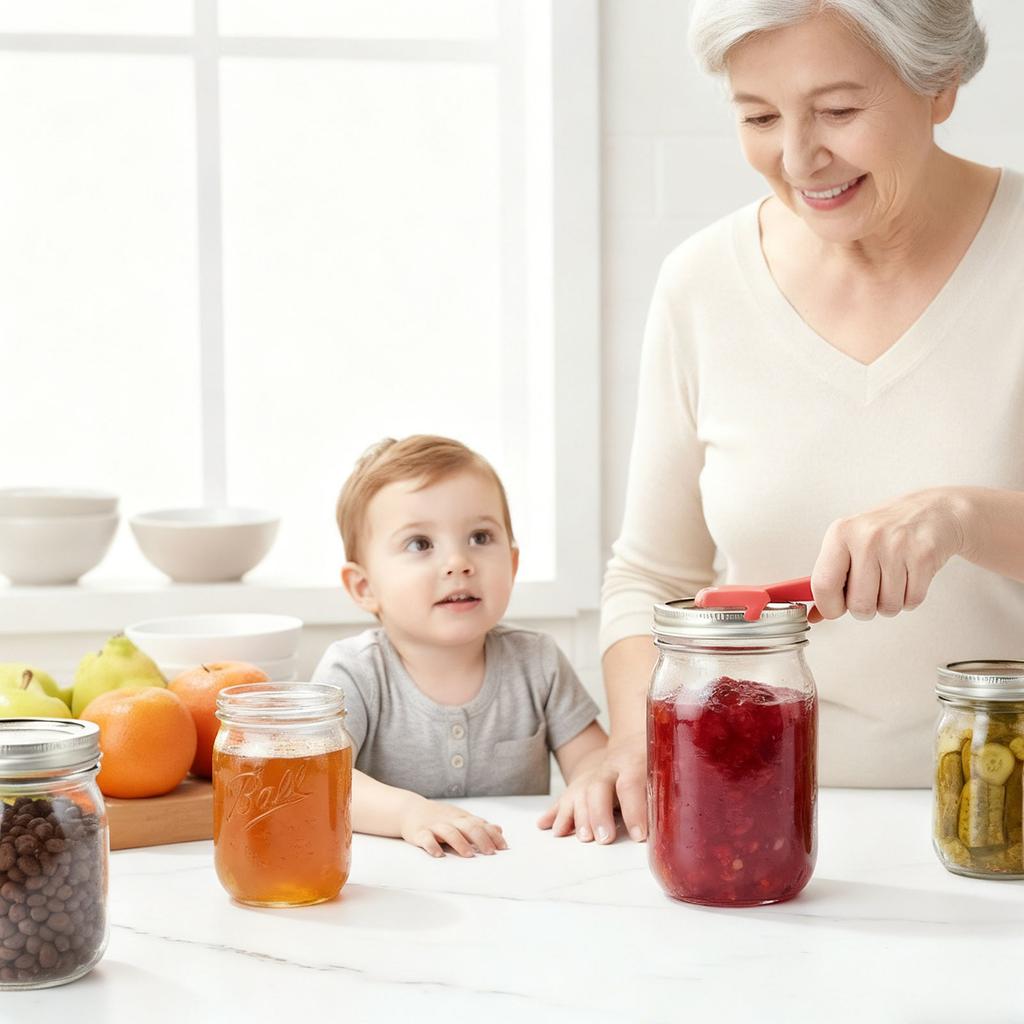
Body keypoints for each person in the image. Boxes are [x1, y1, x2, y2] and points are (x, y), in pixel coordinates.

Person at [540, 0, 1024, 845]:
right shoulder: (701, 284)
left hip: (1001, 812)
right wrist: (630, 738)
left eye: (839, 110)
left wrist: (964, 518)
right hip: (751, 807)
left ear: (940, 84)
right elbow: (651, 577)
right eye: (759, 116)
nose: (798, 157)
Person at [312, 435, 607, 857]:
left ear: (513, 561)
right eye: (421, 544)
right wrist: (407, 814)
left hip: (517, 873)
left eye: (481, 537)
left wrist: (590, 785)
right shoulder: (354, 673)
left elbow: (595, 759)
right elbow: (321, 777)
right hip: (396, 886)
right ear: (364, 587)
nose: (459, 562)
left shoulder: (537, 662)